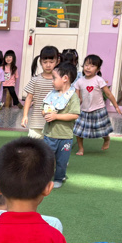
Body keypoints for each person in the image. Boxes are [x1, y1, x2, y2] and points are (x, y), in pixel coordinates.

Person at [73, 54, 122, 155]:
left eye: (92, 66)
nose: (88, 68)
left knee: (102, 130)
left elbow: (108, 94)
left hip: (98, 109)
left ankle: (106, 139)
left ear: (98, 69)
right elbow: (77, 97)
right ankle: (81, 149)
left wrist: (116, 106)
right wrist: (76, 107)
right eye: (86, 65)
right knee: (78, 131)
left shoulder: (99, 80)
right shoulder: (79, 81)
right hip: (84, 110)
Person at [42, 61, 80, 189]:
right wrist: (45, 113)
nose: (52, 81)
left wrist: (56, 116)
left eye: (54, 78)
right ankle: (45, 178)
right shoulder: (52, 94)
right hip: (49, 134)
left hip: (65, 137)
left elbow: (74, 115)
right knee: (46, 159)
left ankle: (59, 177)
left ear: (65, 78)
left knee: (62, 161)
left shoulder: (72, 97)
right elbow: (43, 109)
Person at [22, 46, 60, 140]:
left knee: (51, 146)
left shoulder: (60, 81)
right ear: (40, 62)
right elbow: (29, 98)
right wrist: (25, 116)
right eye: (45, 62)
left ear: (57, 61)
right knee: (34, 146)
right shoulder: (35, 80)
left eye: (51, 62)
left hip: (54, 122)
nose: (48, 65)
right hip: (36, 122)